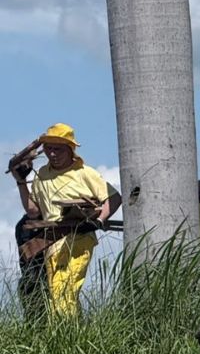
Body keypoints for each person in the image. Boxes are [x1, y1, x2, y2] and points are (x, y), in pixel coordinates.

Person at [12, 123, 121, 317]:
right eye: (48, 149)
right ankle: (70, 336)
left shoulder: (85, 173)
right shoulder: (42, 175)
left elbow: (114, 198)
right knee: (56, 292)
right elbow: (33, 211)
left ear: (70, 150)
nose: (52, 154)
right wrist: (21, 181)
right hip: (51, 241)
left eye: (58, 149)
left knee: (64, 291)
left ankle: (67, 334)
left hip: (78, 237)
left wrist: (100, 219)